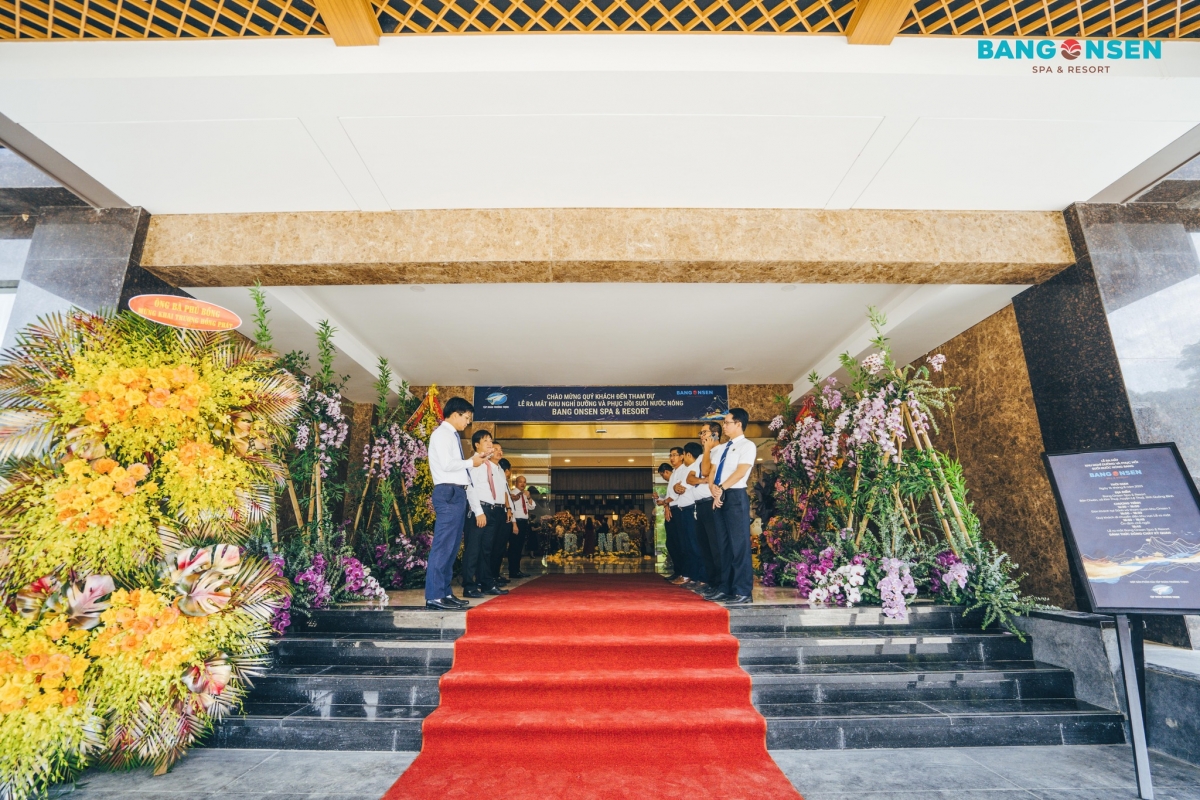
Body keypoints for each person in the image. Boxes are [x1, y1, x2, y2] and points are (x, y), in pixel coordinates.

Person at [424, 397, 485, 611]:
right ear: (455, 414)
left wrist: (472, 462)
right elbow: (447, 464)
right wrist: (471, 462)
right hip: (448, 491)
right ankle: (434, 596)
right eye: (466, 417)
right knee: (443, 546)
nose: (468, 422)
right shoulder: (442, 434)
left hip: (456, 493)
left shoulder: (451, 435)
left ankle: (445, 592)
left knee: (451, 548)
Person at [710, 408, 758, 605]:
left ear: (738, 424)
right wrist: (714, 489)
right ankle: (726, 588)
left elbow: (741, 472)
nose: (724, 426)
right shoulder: (721, 448)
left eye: (727, 422)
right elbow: (713, 471)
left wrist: (721, 488)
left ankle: (742, 591)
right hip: (719, 495)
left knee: (739, 545)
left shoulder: (747, 445)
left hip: (735, 496)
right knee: (723, 545)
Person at [461, 430, 508, 599]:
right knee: (473, 550)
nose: (490, 443)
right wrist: (479, 512)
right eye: (485, 440)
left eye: (490, 440)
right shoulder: (474, 463)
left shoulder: (489, 465)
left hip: (490, 510)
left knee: (486, 550)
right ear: (477, 445)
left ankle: (486, 583)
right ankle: (469, 586)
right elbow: (470, 488)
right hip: (478, 510)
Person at [690, 421, 723, 597]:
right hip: (700, 505)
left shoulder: (721, 450)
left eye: (704, 432)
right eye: (700, 433)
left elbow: (704, 473)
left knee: (715, 546)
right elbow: (692, 478)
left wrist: (708, 449)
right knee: (705, 547)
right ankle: (711, 582)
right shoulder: (704, 455)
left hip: (712, 502)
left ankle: (721, 584)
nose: (701, 436)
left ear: (715, 434)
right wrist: (706, 450)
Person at [676, 442, 707, 590]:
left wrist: (680, 487)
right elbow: (679, 487)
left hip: (692, 509)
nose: (683, 458)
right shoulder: (689, 468)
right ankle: (694, 576)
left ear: (688, 454)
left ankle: (702, 577)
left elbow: (686, 484)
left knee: (695, 545)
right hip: (685, 510)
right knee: (688, 546)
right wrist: (677, 487)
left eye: (683, 455)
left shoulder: (697, 465)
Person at [487, 448, 517, 586]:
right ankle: (491, 576)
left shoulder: (502, 478)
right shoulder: (493, 473)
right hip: (497, 513)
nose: (510, 474)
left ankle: (495, 574)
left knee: (500, 548)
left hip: (505, 514)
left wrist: (509, 509)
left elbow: (505, 496)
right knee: (495, 547)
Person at [664, 447, 692, 585]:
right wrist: (666, 505)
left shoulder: (684, 470)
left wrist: (665, 503)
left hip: (682, 509)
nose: (672, 458)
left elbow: (678, 491)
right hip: (674, 509)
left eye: (675, 455)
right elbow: (671, 493)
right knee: (674, 543)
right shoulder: (674, 472)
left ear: (682, 456)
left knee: (683, 543)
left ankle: (686, 574)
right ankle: (679, 572)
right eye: (670, 455)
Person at [507, 475, 534, 578]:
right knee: (514, 547)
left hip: (523, 522)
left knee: (519, 547)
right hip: (516, 522)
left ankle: (517, 569)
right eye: (520, 482)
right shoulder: (512, 494)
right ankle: (512, 571)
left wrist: (529, 497)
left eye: (524, 482)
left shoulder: (525, 494)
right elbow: (511, 510)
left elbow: (532, 506)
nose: (523, 484)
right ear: (516, 483)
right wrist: (514, 524)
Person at [656, 461, 679, 579]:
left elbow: (674, 497)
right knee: (671, 543)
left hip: (677, 512)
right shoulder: (671, 481)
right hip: (671, 511)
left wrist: (665, 503)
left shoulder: (676, 477)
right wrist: (661, 500)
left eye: (662, 475)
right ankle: (677, 571)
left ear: (666, 471)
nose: (663, 478)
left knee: (676, 543)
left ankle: (681, 572)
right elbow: (668, 499)